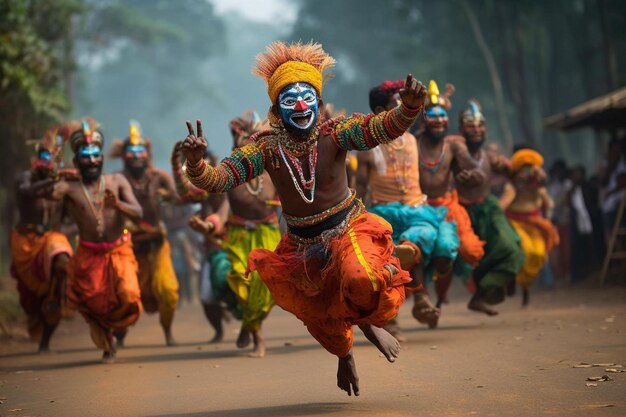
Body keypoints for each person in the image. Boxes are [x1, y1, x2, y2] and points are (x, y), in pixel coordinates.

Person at [182, 41, 426, 396]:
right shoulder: (263, 148)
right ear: (276, 111)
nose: (299, 104)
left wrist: (411, 107)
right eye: (289, 98)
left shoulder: (336, 132)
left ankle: (379, 290)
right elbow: (218, 180)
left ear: (321, 104)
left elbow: (382, 129)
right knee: (320, 317)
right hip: (302, 246)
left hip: (349, 229)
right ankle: (346, 354)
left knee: (359, 278)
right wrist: (195, 164)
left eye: (307, 96)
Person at [357, 79, 458, 331]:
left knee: (419, 242)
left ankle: (421, 297)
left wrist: (440, 99)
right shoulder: (368, 147)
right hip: (383, 212)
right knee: (386, 259)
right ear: (381, 112)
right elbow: (358, 187)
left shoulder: (414, 139)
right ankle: (392, 316)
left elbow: (436, 122)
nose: (404, 106)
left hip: (418, 211)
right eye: (397, 103)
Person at [47, 118, 143, 363]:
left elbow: (138, 212)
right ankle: (107, 342)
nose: (91, 160)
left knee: (129, 294)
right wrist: (52, 172)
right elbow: (50, 195)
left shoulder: (116, 182)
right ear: (77, 160)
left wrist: (117, 204)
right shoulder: (68, 187)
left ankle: (118, 327)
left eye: (95, 155)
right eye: (85, 156)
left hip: (119, 250)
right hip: (89, 254)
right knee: (94, 302)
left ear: (102, 158)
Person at [195, 113, 281, 358]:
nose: (247, 145)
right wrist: (209, 226)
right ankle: (256, 335)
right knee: (242, 282)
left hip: (268, 234)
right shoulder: (230, 172)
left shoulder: (274, 168)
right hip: (239, 236)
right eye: (241, 140)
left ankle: (250, 327)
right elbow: (222, 211)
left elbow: (290, 200)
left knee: (266, 288)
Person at [109, 121, 180, 346]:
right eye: (132, 152)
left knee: (167, 290)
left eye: (141, 151)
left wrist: (171, 190)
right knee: (126, 293)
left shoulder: (159, 177)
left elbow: (181, 197)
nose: (137, 156)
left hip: (157, 244)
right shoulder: (116, 180)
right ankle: (119, 336)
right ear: (123, 155)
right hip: (129, 246)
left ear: (147, 154)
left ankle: (168, 332)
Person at [417, 81, 485, 308]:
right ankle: (421, 299)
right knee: (414, 253)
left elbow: (474, 168)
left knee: (467, 250)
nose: (438, 120)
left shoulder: (454, 146)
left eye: (442, 115)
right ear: (423, 119)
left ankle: (443, 295)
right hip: (417, 210)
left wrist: (473, 176)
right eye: (432, 115)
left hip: (448, 209)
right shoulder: (411, 144)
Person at [10, 127, 75, 352]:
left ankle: (64, 305)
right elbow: (27, 193)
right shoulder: (24, 178)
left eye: (53, 158)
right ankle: (36, 321)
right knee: (30, 298)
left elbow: (76, 218)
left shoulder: (64, 185)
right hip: (25, 240)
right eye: (45, 157)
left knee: (63, 263)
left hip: (52, 238)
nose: (48, 163)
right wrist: (51, 182)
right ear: (36, 159)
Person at [456, 100, 524, 315]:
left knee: (513, 249)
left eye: (479, 125)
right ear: (461, 130)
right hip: (462, 212)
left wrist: (524, 172)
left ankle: (482, 293)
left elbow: (514, 173)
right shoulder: (453, 153)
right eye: (471, 126)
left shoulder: (491, 158)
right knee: (470, 257)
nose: (476, 130)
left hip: (489, 208)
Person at [505, 149, 559, 306]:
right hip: (515, 223)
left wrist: (539, 185)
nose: (527, 172)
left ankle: (525, 286)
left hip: (534, 223)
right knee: (526, 250)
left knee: (539, 253)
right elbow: (504, 203)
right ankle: (514, 279)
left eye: (531, 168)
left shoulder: (539, 186)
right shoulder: (512, 185)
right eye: (524, 168)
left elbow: (549, 204)